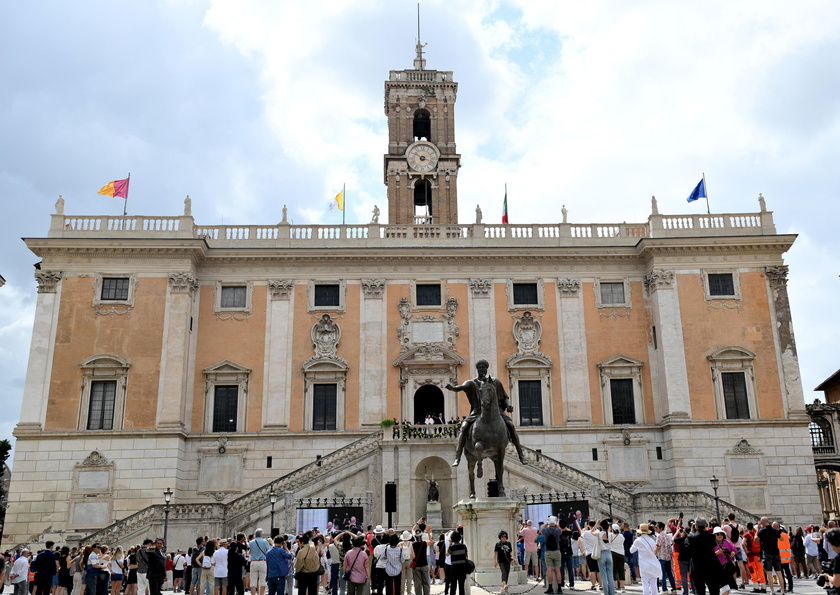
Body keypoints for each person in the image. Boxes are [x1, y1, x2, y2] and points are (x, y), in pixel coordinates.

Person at [445, 359, 527, 466]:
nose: (482, 369)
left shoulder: (495, 382)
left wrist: (508, 405)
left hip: (496, 412)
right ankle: (457, 457)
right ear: (477, 369)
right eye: (480, 367)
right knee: (464, 427)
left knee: (511, 425)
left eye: (484, 367)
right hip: (477, 412)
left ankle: (520, 454)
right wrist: (452, 388)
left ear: (486, 369)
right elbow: (461, 387)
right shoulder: (472, 383)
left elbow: (504, 397)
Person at [688, 519, 721, 595]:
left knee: (699, 590)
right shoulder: (711, 536)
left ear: (696, 526)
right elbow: (714, 545)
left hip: (697, 566)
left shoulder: (691, 537)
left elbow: (688, 548)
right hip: (711, 565)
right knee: (714, 589)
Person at [756, 518, 784, 595]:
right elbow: (782, 538)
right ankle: (782, 591)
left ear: (763, 522)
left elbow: (756, 539)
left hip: (767, 552)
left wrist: (757, 530)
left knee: (769, 572)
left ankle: (772, 591)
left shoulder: (762, 531)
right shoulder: (774, 530)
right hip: (776, 552)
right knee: (779, 572)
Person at [630, 524, 659, 595]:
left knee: (645, 583)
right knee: (653, 583)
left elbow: (631, 550)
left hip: (644, 563)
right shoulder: (652, 540)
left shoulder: (638, 540)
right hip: (653, 563)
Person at [542, 516, 563, 594]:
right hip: (557, 551)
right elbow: (560, 530)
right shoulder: (557, 530)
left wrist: (547, 523)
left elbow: (542, 529)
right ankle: (559, 588)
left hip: (548, 551)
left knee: (549, 569)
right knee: (558, 570)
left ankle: (550, 587)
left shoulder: (546, 530)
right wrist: (556, 524)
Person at [655, 522, 676, 594]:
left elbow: (658, 546)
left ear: (660, 528)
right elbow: (669, 546)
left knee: (663, 574)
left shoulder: (659, 536)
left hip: (661, 556)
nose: (656, 528)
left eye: (657, 527)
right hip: (668, 557)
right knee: (670, 574)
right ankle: (674, 588)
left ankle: (665, 590)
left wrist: (655, 554)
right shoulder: (667, 536)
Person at [249, 529, 272, 595]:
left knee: (253, 582)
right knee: (263, 582)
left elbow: (250, 551)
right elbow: (268, 552)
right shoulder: (265, 542)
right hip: (262, 562)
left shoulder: (251, 542)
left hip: (253, 562)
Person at [596, 520, 616, 595]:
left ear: (601, 527)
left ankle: (606, 593)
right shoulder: (611, 534)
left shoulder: (599, 534)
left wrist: (596, 524)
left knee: (604, 576)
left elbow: (591, 532)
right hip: (609, 553)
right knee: (610, 576)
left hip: (602, 554)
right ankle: (612, 593)